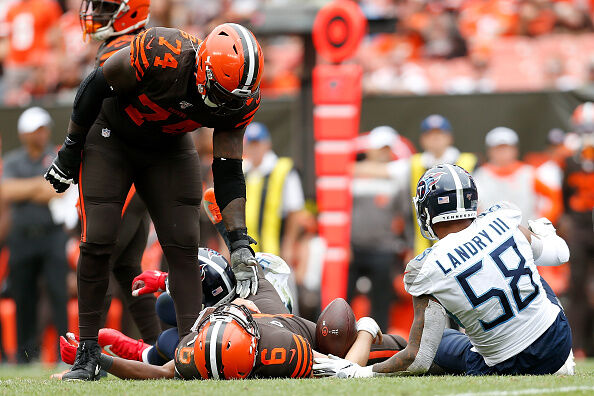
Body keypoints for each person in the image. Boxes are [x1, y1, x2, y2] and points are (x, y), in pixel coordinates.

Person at [44, 23, 264, 380]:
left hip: (168, 147)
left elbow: (227, 169)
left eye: (233, 100)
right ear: (203, 68)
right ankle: (87, 353)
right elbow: (96, 83)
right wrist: (70, 149)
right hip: (112, 135)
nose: (226, 106)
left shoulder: (240, 96)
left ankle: (193, 353)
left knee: (183, 245)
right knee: (99, 238)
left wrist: (239, 241)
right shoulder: (163, 51)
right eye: (221, 95)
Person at [313, 164, 573, 377]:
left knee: (441, 342)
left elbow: (420, 358)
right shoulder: (505, 220)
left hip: (507, 365)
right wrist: (543, 229)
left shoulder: (426, 267)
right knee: (530, 269)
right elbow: (560, 254)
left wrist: (360, 373)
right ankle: (566, 363)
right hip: (557, 343)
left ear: (428, 209)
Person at [78, 0, 161, 345]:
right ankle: (164, 348)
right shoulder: (142, 45)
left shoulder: (121, 48)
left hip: (123, 168)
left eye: (103, 6)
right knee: (126, 267)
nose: (94, 13)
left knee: (100, 259)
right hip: (140, 171)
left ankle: (88, 352)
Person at [354, 114, 477, 257]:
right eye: (430, 135)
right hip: (424, 248)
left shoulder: (470, 162)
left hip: (465, 245)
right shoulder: (414, 164)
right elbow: (383, 170)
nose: (435, 139)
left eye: (439, 134)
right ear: (423, 139)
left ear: (449, 137)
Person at [1, 107, 68, 363]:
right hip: (21, 237)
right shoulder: (13, 160)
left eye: (44, 128)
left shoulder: (55, 155)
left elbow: (59, 189)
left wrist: (28, 188)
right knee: (23, 295)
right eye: (36, 130)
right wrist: (40, 186)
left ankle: (66, 353)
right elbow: (7, 191)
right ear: (24, 134)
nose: (43, 134)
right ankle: (25, 354)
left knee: (57, 293)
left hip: (52, 236)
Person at [349, 126, 410, 330]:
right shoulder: (352, 173)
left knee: (381, 302)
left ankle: (379, 342)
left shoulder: (399, 175)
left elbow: (405, 214)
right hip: (353, 247)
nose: (383, 153)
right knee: (343, 298)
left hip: (383, 248)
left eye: (387, 149)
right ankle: (338, 339)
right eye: (379, 148)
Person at [243, 122, 305, 266]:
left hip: (274, 251)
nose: (254, 149)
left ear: (267, 144)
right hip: (247, 253)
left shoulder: (282, 169)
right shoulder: (242, 170)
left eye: (257, 143)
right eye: (250, 144)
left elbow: (295, 210)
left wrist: (288, 244)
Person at [473, 127, 556, 226]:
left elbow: (554, 197)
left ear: (515, 150)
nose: (502, 152)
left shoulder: (529, 173)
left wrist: (542, 224)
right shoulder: (479, 176)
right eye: (498, 149)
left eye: (506, 148)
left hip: (526, 236)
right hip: (491, 237)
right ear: (489, 151)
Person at [562, 102, 594, 357]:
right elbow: (565, 195)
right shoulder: (569, 158)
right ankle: (577, 345)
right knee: (576, 287)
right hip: (581, 228)